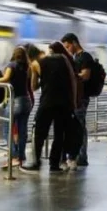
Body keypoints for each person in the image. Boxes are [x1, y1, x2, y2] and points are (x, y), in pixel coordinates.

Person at [25, 42, 77, 174]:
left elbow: (34, 87)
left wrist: (34, 72)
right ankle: (54, 164)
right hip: (64, 103)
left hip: (47, 103)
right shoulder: (64, 60)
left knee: (39, 133)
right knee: (59, 134)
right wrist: (73, 101)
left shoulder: (36, 64)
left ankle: (35, 162)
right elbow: (73, 81)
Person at [0, 46, 32, 168]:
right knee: (22, 131)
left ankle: (14, 157)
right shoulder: (27, 67)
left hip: (15, 101)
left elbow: (6, 79)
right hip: (26, 101)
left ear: (14, 54)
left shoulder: (12, 65)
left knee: (7, 130)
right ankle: (21, 157)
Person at [61, 33, 96, 169]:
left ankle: (81, 156)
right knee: (79, 126)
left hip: (82, 98)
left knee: (79, 127)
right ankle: (80, 155)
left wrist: (71, 76)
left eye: (68, 45)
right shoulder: (75, 57)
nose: (68, 48)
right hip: (77, 97)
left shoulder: (85, 57)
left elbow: (86, 75)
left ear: (75, 42)